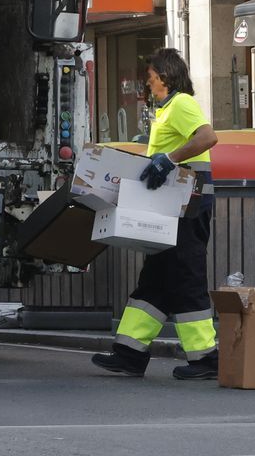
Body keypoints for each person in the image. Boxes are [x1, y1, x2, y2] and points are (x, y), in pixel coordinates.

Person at [91, 48, 221, 380]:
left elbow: (208, 137)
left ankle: (206, 358)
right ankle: (129, 353)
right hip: (173, 206)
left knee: (186, 275)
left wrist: (170, 159)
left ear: (165, 76)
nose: (147, 84)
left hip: (188, 206)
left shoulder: (182, 104)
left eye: (150, 78)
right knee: (155, 280)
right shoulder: (165, 110)